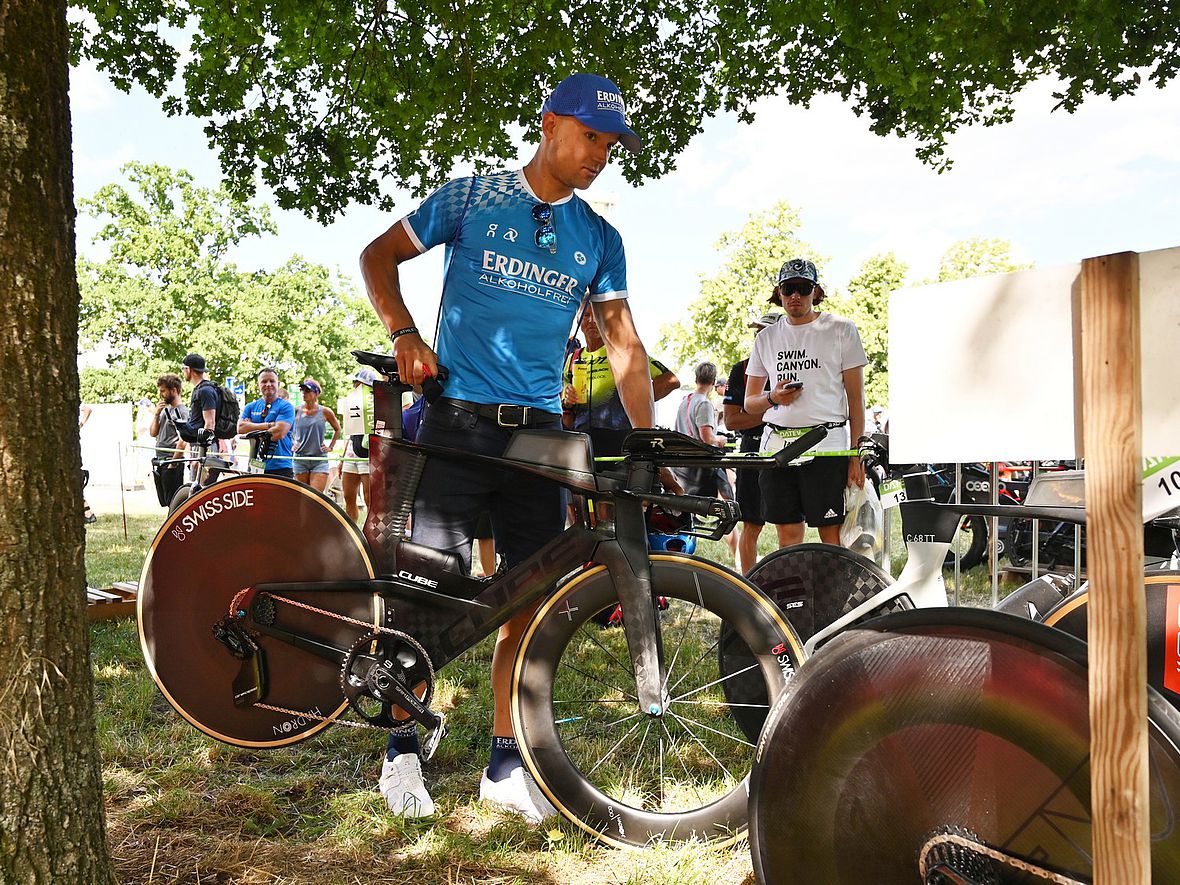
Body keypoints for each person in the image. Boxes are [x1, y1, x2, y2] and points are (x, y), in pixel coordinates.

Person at [359, 72, 663, 823]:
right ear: (550, 123)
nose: (600, 155)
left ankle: (503, 763)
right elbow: (377, 256)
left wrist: (649, 439)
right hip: (455, 424)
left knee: (527, 598)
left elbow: (624, 347)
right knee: (423, 593)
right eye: (590, 136)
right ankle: (401, 750)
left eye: (611, 144)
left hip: (540, 438)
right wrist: (403, 332)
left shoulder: (599, 237)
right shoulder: (469, 198)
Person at [742, 259, 867, 548]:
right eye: (788, 289)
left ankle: (832, 592)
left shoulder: (841, 329)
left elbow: (856, 399)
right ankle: (794, 592)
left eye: (803, 288)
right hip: (778, 448)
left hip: (827, 445)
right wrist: (774, 397)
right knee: (787, 535)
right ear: (779, 293)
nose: (795, 296)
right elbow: (750, 404)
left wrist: (856, 454)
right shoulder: (766, 337)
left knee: (831, 534)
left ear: (816, 292)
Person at [561, 307, 679, 459]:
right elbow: (564, 405)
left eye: (597, 315)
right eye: (587, 316)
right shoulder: (572, 358)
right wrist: (568, 400)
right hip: (581, 441)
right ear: (579, 320)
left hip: (619, 438)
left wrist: (634, 400)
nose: (592, 321)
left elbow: (671, 380)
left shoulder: (621, 353)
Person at [722, 312, 782, 572]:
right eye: (757, 332)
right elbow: (731, 421)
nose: (759, 337)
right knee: (751, 524)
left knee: (788, 524)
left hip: (786, 450)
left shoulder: (797, 367)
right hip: (752, 450)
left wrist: (757, 412)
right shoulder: (742, 369)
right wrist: (772, 408)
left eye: (765, 331)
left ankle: (790, 585)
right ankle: (749, 585)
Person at [237, 368, 296, 477]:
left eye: (272, 381)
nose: (268, 384)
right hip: (256, 463)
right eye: (264, 381)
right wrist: (270, 425)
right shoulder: (250, 407)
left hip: (281, 465)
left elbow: (279, 433)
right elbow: (240, 428)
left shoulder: (286, 406)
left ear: (278, 384)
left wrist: (251, 428)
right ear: (258, 384)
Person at [340, 368, 377, 521]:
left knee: (370, 500)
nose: (356, 386)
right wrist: (342, 458)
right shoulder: (351, 403)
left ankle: (370, 537)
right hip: (351, 453)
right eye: (355, 383)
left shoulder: (377, 402)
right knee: (348, 496)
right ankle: (352, 535)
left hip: (368, 454)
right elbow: (348, 432)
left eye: (360, 384)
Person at [292, 379, 341, 491]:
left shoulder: (325, 411)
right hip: (300, 459)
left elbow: (337, 429)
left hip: (319, 459)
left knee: (315, 498)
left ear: (316, 394)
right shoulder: (296, 410)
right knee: (302, 496)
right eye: (303, 390)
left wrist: (331, 447)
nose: (304, 393)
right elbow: (285, 428)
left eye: (308, 390)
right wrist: (292, 442)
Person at [150, 373, 190, 506]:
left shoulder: (182, 411)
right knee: (165, 501)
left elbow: (183, 440)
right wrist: (156, 414)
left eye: (163, 391)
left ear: (174, 390)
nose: (161, 394)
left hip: (171, 461)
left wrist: (173, 463)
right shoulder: (165, 410)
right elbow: (153, 432)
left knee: (174, 503)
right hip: (160, 461)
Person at [178, 352, 220, 451]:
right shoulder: (200, 389)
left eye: (183, 369)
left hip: (204, 446)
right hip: (198, 444)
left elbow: (210, 423)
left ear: (189, 369)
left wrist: (202, 451)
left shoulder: (205, 391)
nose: (183, 372)